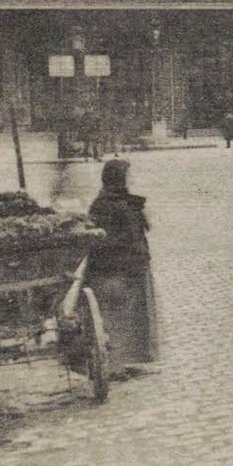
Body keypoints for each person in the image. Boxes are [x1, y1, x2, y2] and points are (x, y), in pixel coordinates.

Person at [86, 159, 157, 375]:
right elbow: (104, 240)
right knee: (118, 317)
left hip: (132, 267)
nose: (132, 179)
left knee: (135, 316)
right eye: (128, 176)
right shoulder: (104, 204)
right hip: (116, 270)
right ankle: (114, 365)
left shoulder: (123, 201)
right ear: (118, 178)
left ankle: (130, 361)